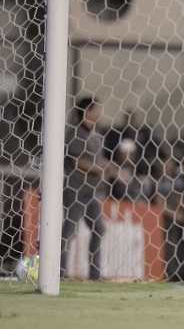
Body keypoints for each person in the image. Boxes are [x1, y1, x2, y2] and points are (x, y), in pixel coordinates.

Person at [61, 97, 118, 280]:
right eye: (97, 109)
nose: (100, 113)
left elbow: (96, 159)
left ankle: (95, 274)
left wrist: (110, 167)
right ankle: (59, 274)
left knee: (99, 229)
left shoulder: (95, 134)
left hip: (92, 191)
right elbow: (78, 161)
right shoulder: (76, 133)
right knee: (69, 232)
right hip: (76, 190)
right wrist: (100, 169)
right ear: (88, 111)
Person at [154, 149, 184, 282]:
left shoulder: (176, 181)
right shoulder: (158, 182)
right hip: (164, 222)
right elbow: (159, 203)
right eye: (167, 162)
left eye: (171, 163)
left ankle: (182, 275)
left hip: (177, 223)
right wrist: (175, 214)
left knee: (181, 249)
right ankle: (170, 276)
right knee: (169, 249)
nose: (169, 165)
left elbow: (179, 199)